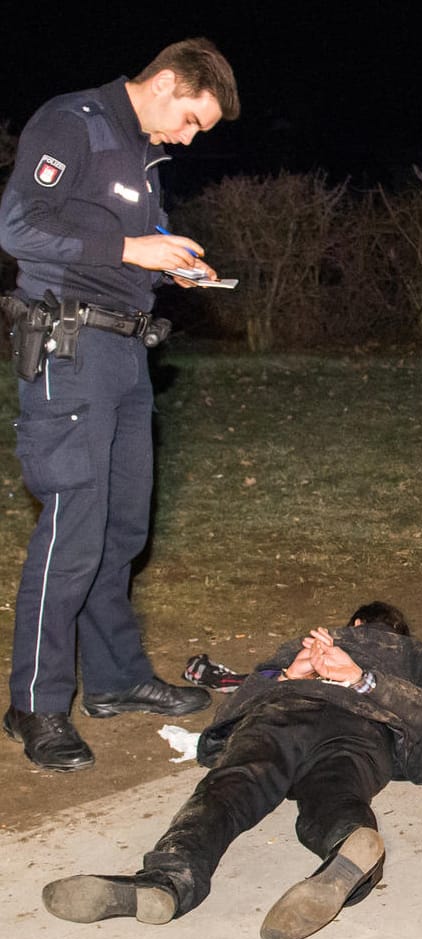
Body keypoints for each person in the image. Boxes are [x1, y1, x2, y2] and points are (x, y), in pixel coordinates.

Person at [0, 40, 241, 773]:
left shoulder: (139, 154)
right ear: (166, 83)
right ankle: (34, 705)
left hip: (128, 353)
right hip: (68, 348)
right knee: (74, 524)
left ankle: (114, 680)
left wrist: (173, 262)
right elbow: (18, 226)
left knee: (122, 525)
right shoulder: (73, 122)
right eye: (193, 119)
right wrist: (135, 248)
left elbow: (125, 248)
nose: (191, 137)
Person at [38, 602, 422, 939]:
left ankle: (167, 880)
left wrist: (315, 675)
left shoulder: (406, 654)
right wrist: (300, 670)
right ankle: (349, 849)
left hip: (288, 716)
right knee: (335, 797)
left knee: (231, 788)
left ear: (357, 624)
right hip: (362, 734)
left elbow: (230, 713)